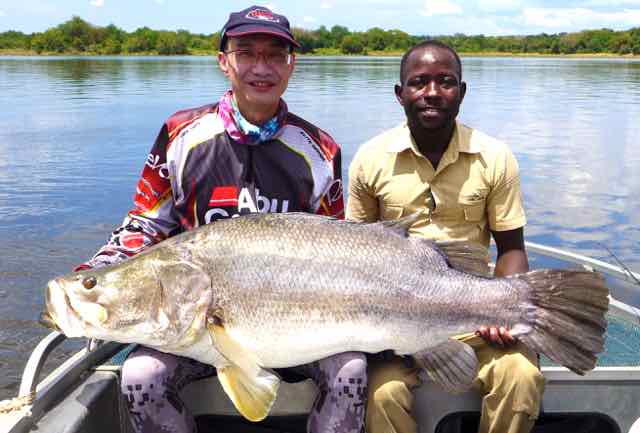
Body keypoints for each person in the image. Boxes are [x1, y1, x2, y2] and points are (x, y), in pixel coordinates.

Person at [76, 6, 366, 433]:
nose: (260, 67)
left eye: (275, 55)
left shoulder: (320, 149)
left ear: (292, 65)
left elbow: (338, 246)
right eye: (246, 53)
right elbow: (146, 223)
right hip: (195, 323)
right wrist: (99, 274)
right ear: (223, 61)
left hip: (296, 324)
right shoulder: (180, 135)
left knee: (351, 372)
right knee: (139, 380)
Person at [346, 40, 544, 433]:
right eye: (419, 82)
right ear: (399, 94)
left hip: (477, 313)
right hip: (397, 326)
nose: (432, 92)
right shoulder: (370, 159)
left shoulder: (494, 156)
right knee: (381, 396)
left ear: (462, 92)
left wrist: (502, 312)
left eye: (445, 82)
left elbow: (511, 250)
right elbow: (354, 259)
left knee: (520, 376)